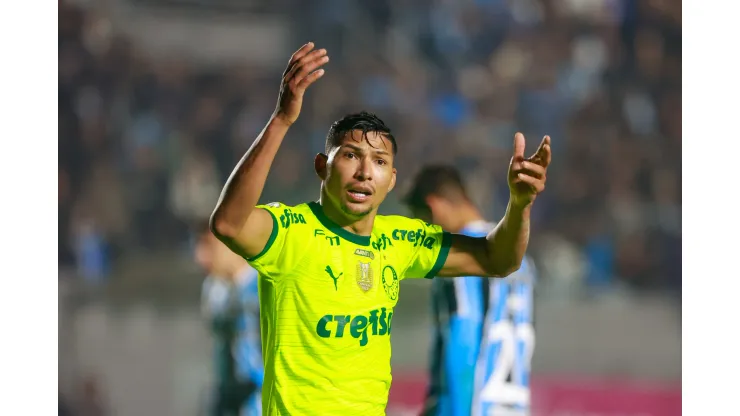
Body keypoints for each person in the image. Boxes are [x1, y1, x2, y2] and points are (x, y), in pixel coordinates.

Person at [209, 42, 551, 415]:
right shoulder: (291, 231)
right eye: (351, 156)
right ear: (322, 167)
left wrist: (519, 204)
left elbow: (498, 259)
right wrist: (281, 120)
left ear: (390, 180)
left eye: (379, 161)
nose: (364, 172)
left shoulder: (399, 240)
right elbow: (228, 224)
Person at [403, 166, 537, 416]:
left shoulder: (457, 259)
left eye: (423, 226)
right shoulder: (521, 261)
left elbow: (462, 341)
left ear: (434, 208)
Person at [194, 222, 263, 416]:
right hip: (227, 394)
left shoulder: (265, 285)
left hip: (258, 393)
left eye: (209, 246)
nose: (200, 257)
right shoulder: (214, 290)